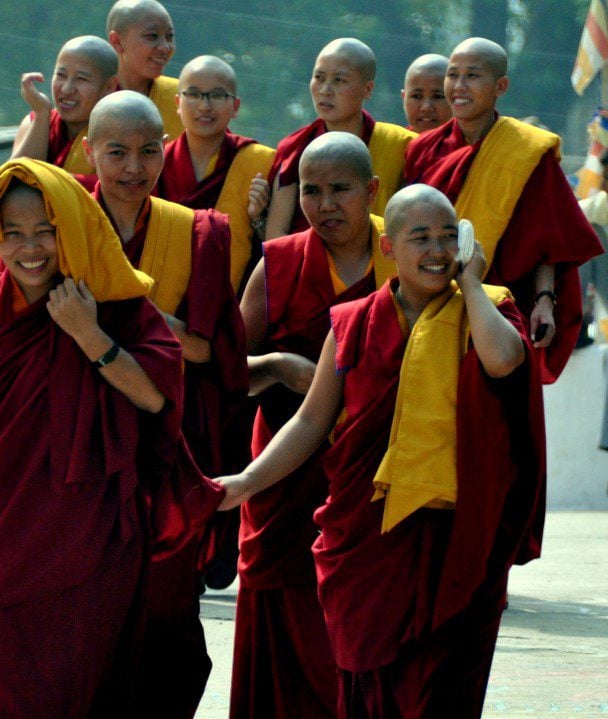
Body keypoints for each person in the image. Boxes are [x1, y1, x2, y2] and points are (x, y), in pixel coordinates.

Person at [221, 183, 546, 718]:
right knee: (371, 689)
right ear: (389, 247)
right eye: (420, 237)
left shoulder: (488, 310)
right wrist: (248, 482)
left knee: (443, 692)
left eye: (448, 236)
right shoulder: (353, 322)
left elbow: (505, 361)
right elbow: (310, 420)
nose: (437, 250)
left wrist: (473, 283)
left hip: (456, 540)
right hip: (369, 542)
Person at [0, 158, 194, 717]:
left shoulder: (115, 306)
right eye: (13, 235)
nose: (30, 249)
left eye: (44, 232)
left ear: (70, 230)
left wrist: (86, 332)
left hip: (86, 535)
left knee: (73, 685)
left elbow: (155, 400)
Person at [85, 90, 247, 718]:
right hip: (79, 443)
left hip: (165, 444)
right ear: (90, 150)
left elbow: (211, 352)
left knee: (166, 610)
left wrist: (123, 306)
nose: (133, 167)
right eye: (117, 152)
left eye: (148, 151)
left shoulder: (196, 231)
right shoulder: (63, 220)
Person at [231, 132, 396, 719]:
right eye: (310, 191)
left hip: (375, 477)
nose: (325, 205)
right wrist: (276, 367)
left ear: (372, 190)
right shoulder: (277, 264)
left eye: (341, 190)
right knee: (282, 625)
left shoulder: (404, 254)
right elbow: (227, 374)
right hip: (284, 472)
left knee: (362, 628)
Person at [403, 37, 604, 382]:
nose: (459, 86)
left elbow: (547, 240)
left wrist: (545, 300)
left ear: (500, 86)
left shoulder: (526, 151)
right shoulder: (421, 150)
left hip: (505, 311)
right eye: (453, 75)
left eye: (472, 76)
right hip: (431, 306)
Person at [264, 38, 416, 240]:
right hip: (308, 262)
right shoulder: (294, 147)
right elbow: (276, 232)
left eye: (339, 80)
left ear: (368, 89)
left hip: (382, 261)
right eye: (319, 77)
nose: (325, 90)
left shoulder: (400, 145)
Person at [158, 55, 276, 294]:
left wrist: (258, 219)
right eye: (193, 94)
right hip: (161, 295)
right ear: (177, 103)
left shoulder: (260, 161)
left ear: (235, 107)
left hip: (230, 302)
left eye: (217, 95)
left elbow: (278, 248)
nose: (204, 106)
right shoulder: (157, 162)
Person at [11, 35, 118, 188]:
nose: (67, 89)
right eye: (61, 75)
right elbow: (13, 182)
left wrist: (48, 181)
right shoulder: (37, 121)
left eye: (81, 79)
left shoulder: (121, 133)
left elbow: (119, 191)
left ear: (108, 87)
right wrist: (42, 113)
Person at [106, 0, 184, 139]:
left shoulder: (184, 100)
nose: (165, 47)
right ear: (117, 41)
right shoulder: (89, 96)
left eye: (169, 36)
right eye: (152, 36)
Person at [401, 53, 452, 134]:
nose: (426, 107)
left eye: (437, 96)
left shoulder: (470, 145)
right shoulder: (393, 144)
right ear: (404, 99)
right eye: (417, 96)